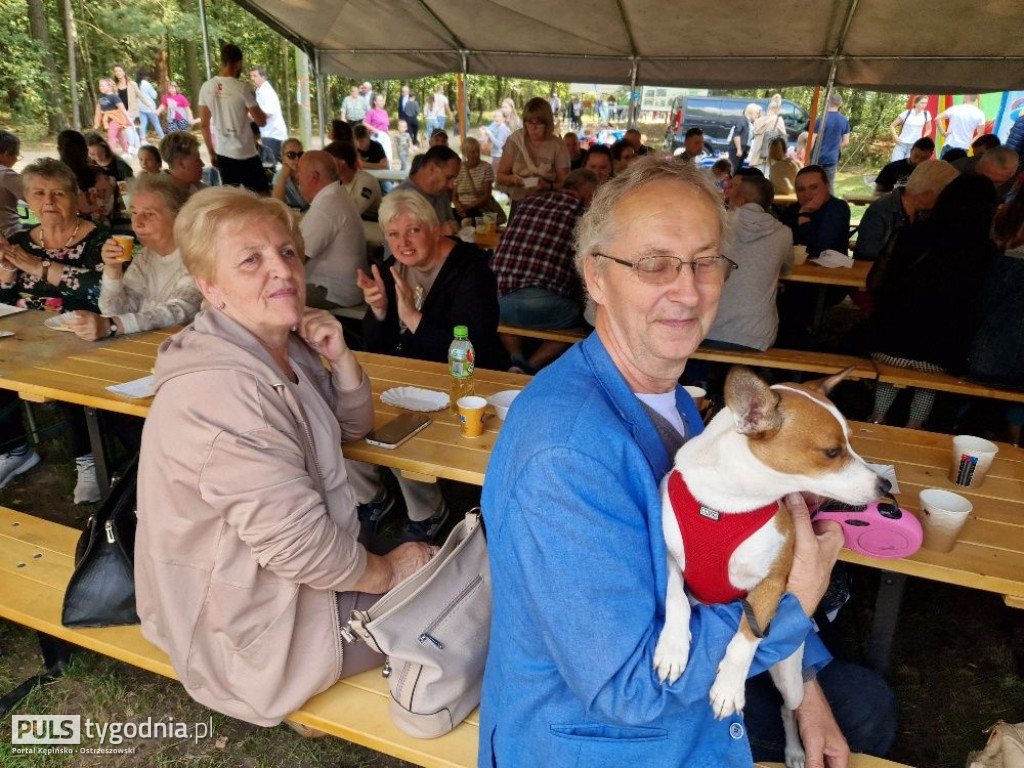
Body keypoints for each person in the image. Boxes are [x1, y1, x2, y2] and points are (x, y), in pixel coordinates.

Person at [480, 156, 895, 766]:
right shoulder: (564, 457)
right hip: (603, 737)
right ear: (595, 277)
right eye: (654, 263)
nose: (688, 289)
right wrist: (793, 607)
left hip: (691, 661)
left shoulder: (673, 395)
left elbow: (724, 551)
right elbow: (629, 690)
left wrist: (804, 688)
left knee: (863, 706)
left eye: (705, 261)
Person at [135, 185, 434, 728]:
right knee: (466, 593)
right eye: (251, 260)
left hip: (283, 582)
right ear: (210, 288)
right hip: (252, 624)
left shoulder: (278, 343)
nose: (282, 269)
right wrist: (387, 570)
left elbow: (350, 429)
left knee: (448, 567)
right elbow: (299, 548)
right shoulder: (220, 390)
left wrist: (340, 359)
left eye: (287, 252)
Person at [350, 190, 507, 543]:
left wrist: (413, 317)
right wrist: (378, 310)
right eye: (393, 234)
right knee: (347, 412)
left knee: (401, 425)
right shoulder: (392, 269)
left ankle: (427, 513)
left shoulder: (470, 269)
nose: (402, 243)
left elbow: (474, 350)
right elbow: (375, 344)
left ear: (434, 229)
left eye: (413, 231)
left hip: (464, 381)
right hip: (408, 373)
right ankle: (371, 498)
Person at [0, 158, 109, 503]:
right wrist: (4, 277)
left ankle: (88, 460)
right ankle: (15, 450)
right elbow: (5, 298)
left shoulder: (100, 240)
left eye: (58, 193)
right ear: (27, 201)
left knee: (68, 363)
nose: (48, 202)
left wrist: (42, 268)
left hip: (77, 330)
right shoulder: (19, 241)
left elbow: (104, 291)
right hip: (22, 333)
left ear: (75, 198)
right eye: (39, 193)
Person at [866, 174, 998, 428]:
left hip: (887, 341)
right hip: (941, 352)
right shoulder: (984, 252)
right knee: (928, 382)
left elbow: (875, 284)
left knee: (892, 372)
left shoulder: (908, 234)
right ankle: (914, 426)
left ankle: (878, 417)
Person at [67, 173, 202, 340]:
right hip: (142, 347)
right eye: (134, 213)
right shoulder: (145, 256)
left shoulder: (198, 257)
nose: (137, 222)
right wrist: (113, 270)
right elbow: (115, 311)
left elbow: (179, 311)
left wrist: (112, 325)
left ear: (179, 218)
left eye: (149, 214)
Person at [491, 168, 598, 372]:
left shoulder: (529, 202)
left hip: (501, 301)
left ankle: (515, 357)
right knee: (582, 319)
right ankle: (532, 365)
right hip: (546, 305)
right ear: (589, 195)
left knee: (507, 312)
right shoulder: (584, 215)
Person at [704, 174, 791, 351]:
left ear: (740, 201)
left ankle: (701, 378)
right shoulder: (784, 233)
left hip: (708, 329)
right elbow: (787, 269)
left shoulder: (716, 225)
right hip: (757, 335)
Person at [294, 150, 366, 309]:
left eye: (299, 171)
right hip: (346, 288)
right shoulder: (336, 195)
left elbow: (296, 256)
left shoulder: (326, 205)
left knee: (266, 296)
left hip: (333, 292)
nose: (297, 177)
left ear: (314, 176)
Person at [856, 159, 959, 266]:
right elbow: (867, 252)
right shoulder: (881, 209)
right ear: (926, 194)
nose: (946, 200)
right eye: (944, 194)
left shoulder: (931, 214)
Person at [199, 43, 269, 193]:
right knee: (262, 198)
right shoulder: (241, 87)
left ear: (222, 61)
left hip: (223, 153)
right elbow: (261, 121)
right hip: (246, 153)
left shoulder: (206, 87)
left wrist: (212, 152)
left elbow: (204, 125)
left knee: (232, 200)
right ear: (238, 63)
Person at [496, 97, 570, 215]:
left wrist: (548, 186)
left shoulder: (557, 146)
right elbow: (500, 176)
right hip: (520, 203)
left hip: (548, 205)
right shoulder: (516, 140)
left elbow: (566, 183)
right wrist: (514, 179)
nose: (533, 128)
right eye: (529, 122)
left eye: (538, 123)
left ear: (547, 123)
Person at [390, 145, 460, 244]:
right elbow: (399, 247)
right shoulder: (398, 199)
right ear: (431, 169)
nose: (451, 185)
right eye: (449, 178)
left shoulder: (441, 193)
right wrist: (439, 232)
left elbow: (451, 226)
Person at [780, 165, 851, 257]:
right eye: (801, 189)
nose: (807, 194)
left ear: (827, 186)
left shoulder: (838, 208)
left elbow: (820, 251)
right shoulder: (791, 210)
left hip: (832, 269)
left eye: (813, 187)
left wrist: (804, 215)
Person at [58, 129, 117, 227]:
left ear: (59, 150)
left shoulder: (53, 180)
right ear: (86, 150)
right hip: (102, 232)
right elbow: (114, 210)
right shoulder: (105, 177)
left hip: (67, 233)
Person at [324, 140, 382, 221]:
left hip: (372, 227)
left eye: (330, 162)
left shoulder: (367, 181)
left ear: (342, 164)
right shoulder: (337, 182)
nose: (326, 166)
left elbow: (353, 212)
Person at [812, 92, 851, 190]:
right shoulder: (843, 120)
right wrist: (835, 147)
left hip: (817, 158)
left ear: (827, 102)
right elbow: (846, 142)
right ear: (840, 104)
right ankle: (830, 204)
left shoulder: (820, 119)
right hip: (832, 158)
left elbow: (812, 140)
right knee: (829, 187)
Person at [249, 66, 287, 162]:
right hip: (268, 133)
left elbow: (269, 113)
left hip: (273, 134)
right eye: (251, 76)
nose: (252, 78)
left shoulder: (267, 91)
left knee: (273, 164)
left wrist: (252, 116)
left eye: (255, 75)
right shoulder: (259, 90)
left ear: (263, 77)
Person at [452, 137, 495, 220]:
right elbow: (454, 195)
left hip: (480, 213)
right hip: (462, 213)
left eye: (477, 151)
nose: (476, 154)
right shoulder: (459, 168)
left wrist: (469, 206)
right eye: (472, 152)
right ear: (465, 154)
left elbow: (486, 196)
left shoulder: (486, 167)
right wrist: (458, 206)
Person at [93, 77, 133, 156]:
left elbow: (122, 109)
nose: (100, 87)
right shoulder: (100, 96)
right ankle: (127, 152)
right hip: (108, 120)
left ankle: (110, 155)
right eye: (100, 86)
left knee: (111, 136)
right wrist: (96, 122)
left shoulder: (114, 97)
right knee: (120, 136)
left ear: (110, 86)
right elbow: (98, 110)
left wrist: (128, 120)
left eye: (103, 85)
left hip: (116, 119)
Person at [936, 94, 986, 158]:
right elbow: (980, 134)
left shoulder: (955, 109)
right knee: (958, 167)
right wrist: (970, 142)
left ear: (966, 96)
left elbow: (938, 118)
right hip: (964, 148)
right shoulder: (980, 113)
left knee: (942, 167)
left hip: (949, 144)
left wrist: (943, 133)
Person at [159, 131, 206, 196]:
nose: (202, 164)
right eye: (197, 160)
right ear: (182, 164)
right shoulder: (165, 197)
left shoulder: (195, 185)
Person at [749, 94, 787, 172]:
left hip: (756, 159)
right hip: (770, 159)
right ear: (779, 109)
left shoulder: (758, 121)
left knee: (757, 182)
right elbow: (784, 140)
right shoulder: (778, 120)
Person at [889, 96, 933, 162]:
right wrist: (895, 137)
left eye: (926, 103)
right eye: (922, 103)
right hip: (901, 144)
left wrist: (923, 138)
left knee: (908, 169)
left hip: (914, 146)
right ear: (915, 103)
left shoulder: (926, 114)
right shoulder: (906, 113)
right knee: (895, 166)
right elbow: (892, 126)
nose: (924, 105)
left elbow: (929, 129)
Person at [112, 65, 143, 154]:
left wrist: (151, 107)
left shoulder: (132, 84)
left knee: (127, 127)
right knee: (132, 128)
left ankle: (131, 146)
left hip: (131, 110)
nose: (118, 73)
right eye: (116, 71)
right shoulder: (115, 86)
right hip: (121, 111)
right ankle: (138, 147)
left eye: (119, 71)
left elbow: (140, 96)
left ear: (124, 72)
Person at [271, 137, 308, 211]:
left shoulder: (308, 171)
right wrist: (284, 177)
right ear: (283, 157)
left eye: (300, 154)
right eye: (291, 154)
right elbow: (276, 203)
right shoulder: (279, 175)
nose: (297, 158)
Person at [0, 131, 24, 240]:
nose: (15, 160)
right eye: (16, 155)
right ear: (6, 154)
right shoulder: (6, 174)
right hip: (9, 234)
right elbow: (34, 197)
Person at [730, 103, 762, 174]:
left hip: (743, 151)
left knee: (738, 170)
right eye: (756, 113)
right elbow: (736, 135)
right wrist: (739, 149)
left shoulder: (749, 123)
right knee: (734, 169)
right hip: (736, 151)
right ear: (751, 112)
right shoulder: (742, 120)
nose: (758, 115)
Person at [136, 69, 164, 142]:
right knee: (156, 124)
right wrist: (155, 90)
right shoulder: (146, 84)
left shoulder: (137, 84)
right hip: (149, 107)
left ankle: (143, 140)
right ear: (146, 76)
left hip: (140, 107)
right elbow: (154, 96)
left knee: (143, 124)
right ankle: (163, 138)